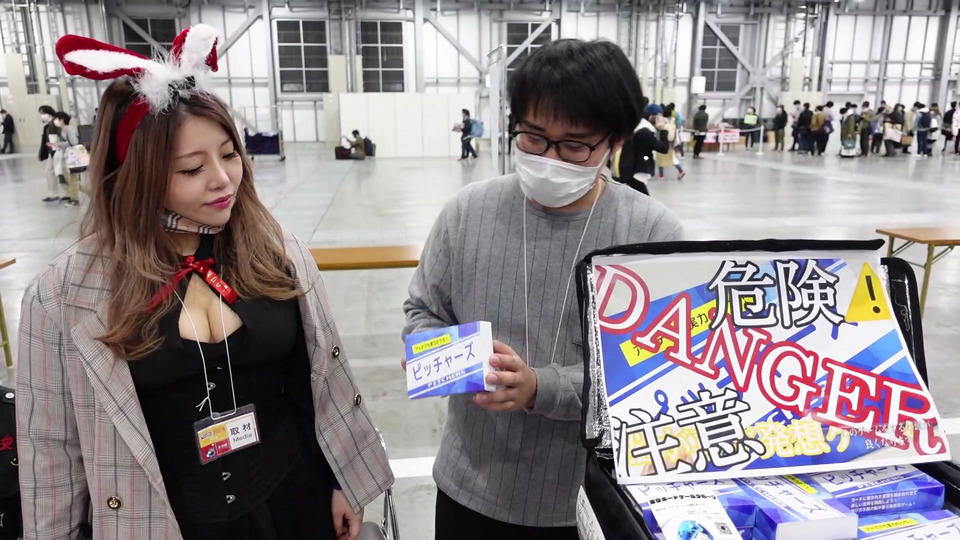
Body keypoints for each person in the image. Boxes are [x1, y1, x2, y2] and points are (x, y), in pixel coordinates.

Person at [18, 25, 394, 540]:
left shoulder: (274, 251)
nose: (223, 179)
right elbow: (50, 451)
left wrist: (340, 479)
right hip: (164, 522)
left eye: (229, 154)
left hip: (296, 501)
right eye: (192, 169)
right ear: (138, 177)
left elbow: (317, 381)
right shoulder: (64, 295)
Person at [403, 39, 683, 540]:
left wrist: (541, 388)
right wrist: (435, 354)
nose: (549, 158)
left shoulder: (651, 235)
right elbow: (423, 309)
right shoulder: (466, 213)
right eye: (533, 137)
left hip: (590, 504)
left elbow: (661, 369)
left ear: (616, 141)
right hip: (470, 491)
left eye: (574, 146)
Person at [50, 111, 81, 206]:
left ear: (62, 119)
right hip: (64, 156)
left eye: (57, 119)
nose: (55, 121)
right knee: (69, 179)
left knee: (72, 178)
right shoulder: (61, 130)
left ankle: (74, 199)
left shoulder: (69, 129)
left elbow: (74, 142)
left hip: (72, 157)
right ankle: (90, 192)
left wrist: (59, 144)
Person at [38, 104, 64, 202]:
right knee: (50, 172)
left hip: (57, 151)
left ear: (48, 113)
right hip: (52, 151)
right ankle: (54, 193)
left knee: (53, 172)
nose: (41, 115)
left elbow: (60, 135)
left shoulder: (55, 122)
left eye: (42, 113)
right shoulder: (48, 125)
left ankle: (57, 193)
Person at [657, 103, 686, 180]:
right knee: (672, 157)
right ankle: (681, 170)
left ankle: (661, 175)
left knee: (660, 158)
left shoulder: (662, 120)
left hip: (662, 141)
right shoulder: (674, 120)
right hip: (671, 141)